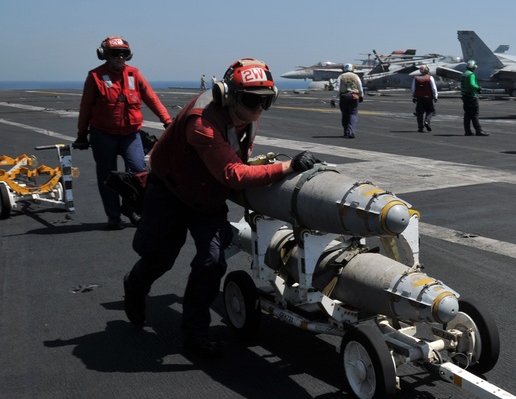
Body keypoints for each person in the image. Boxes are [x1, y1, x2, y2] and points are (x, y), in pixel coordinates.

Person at [122, 58, 319, 357]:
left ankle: (195, 334)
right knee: (160, 258)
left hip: (207, 196)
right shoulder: (201, 122)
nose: (258, 109)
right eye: (251, 100)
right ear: (227, 95)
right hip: (171, 192)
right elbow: (234, 175)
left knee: (212, 260)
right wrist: (287, 166)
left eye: (265, 101)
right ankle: (135, 287)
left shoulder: (248, 111)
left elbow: (235, 160)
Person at [74, 36, 173, 230]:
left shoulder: (134, 74)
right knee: (108, 176)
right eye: (115, 54)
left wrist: (167, 122)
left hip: (130, 134)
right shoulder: (95, 76)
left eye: (124, 54)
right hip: (103, 134)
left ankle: (130, 208)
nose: (120, 57)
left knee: (139, 171)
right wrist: (81, 133)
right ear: (105, 55)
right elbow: (85, 107)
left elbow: (152, 99)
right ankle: (113, 216)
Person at [461, 60, 488, 136]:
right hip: (471, 97)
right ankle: (478, 131)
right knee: (475, 114)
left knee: (467, 115)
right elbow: (472, 84)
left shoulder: (464, 74)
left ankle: (467, 131)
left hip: (465, 97)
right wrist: (478, 88)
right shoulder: (471, 75)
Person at [338, 63, 363, 138]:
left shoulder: (341, 76)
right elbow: (360, 87)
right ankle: (351, 131)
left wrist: (333, 99)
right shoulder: (356, 76)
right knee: (353, 114)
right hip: (354, 96)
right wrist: (361, 96)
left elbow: (336, 88)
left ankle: (346, 131)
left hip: (344, 96)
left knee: (345, 115)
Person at [412, 64, 438, 132]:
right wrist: (435, 96)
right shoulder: (430, 78)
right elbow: (433, 88)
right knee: (430, 111)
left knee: (419, 113)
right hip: (428, 97)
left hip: (419, 98)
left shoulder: (416, 78)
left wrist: (414, 97)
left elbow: (413, 89)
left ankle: (420, 127)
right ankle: (427, 121)